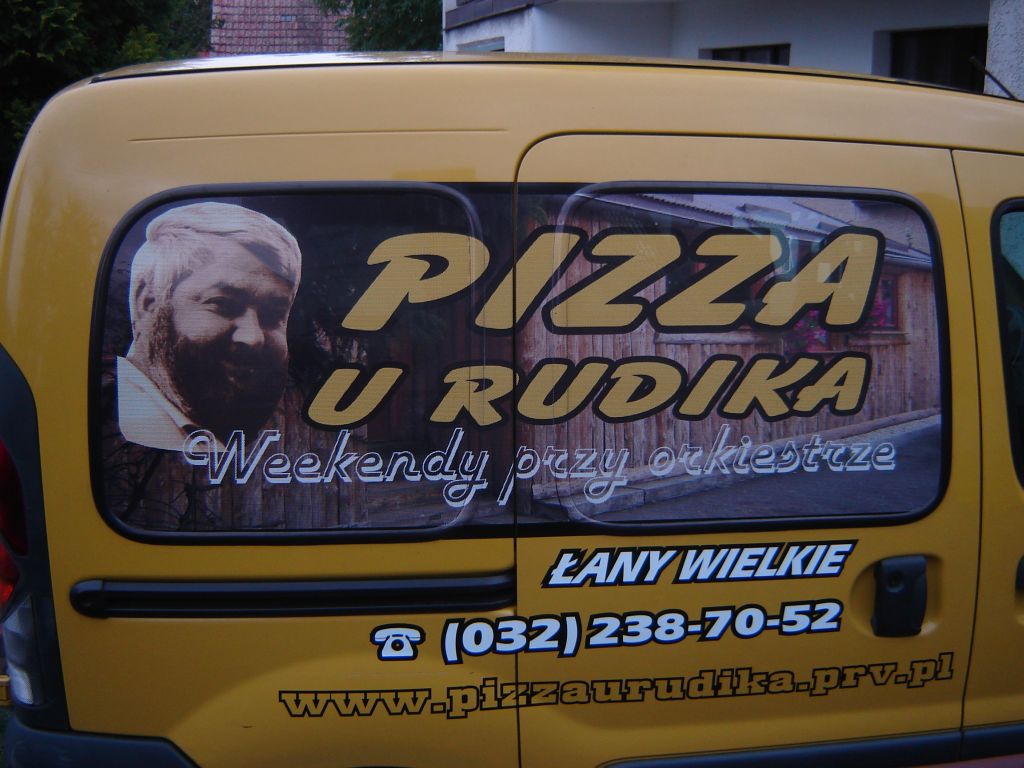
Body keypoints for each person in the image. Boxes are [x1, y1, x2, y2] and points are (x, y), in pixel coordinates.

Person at [117, 202, 302, 450]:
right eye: (223, 304)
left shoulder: (199, 434)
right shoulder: (123, 431)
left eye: (274, 314)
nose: (253, 337)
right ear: (147, 302)